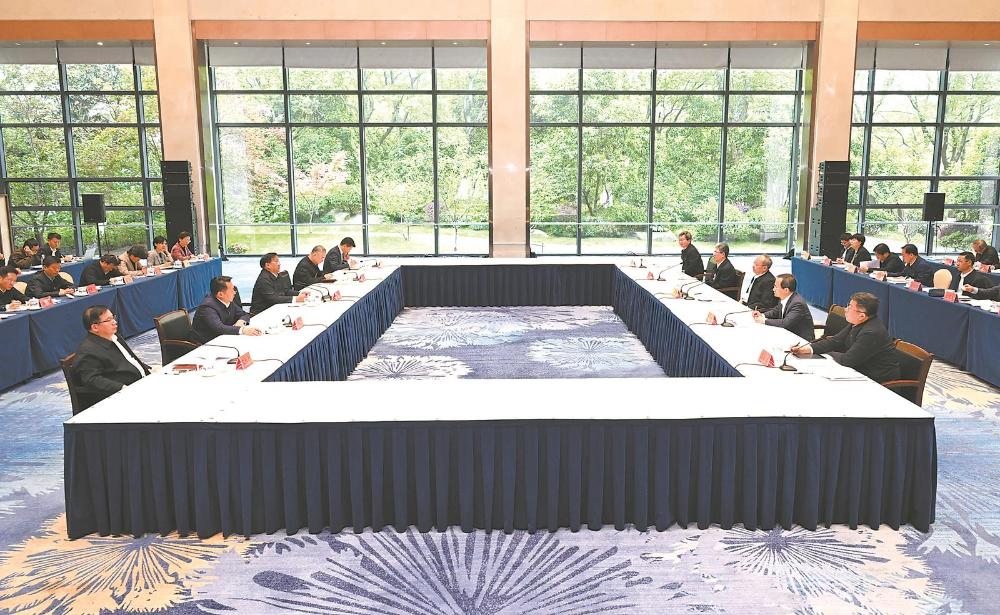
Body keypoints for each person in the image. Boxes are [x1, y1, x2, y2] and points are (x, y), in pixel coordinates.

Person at [792, 292, 900, 382]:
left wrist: (827, 353)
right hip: (859, 370)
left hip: (877, 380)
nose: (845, 309)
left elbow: (847, 360)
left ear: (862, 315)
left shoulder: (871, 332)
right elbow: (835, 341)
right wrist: (809, 348)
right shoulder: (857, 322)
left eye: (850, 307)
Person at [71, 305, 150, 412]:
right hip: (121, 397)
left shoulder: (115, 337)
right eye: (108, 320)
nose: (114, 322)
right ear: (95, 327)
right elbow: (92, 380)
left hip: (141, 383)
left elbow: (131, 359)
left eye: (113, 317)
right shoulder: (88, 351)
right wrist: (122, 388)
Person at [190, 276, 262, 343]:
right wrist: (243, 330)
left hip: (224, 337)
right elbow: (219, 328)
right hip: (205, 343)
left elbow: (244, 314)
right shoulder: (207, 307)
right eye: (232, 290)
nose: (235, 292)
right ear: (220, 294)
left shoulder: (226, 300)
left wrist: (241, 321)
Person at [752, 273, 814, 340]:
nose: (773, 289)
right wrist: (762, 315)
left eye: (776, 287)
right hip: (786, 333)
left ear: (786, 290)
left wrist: (764, 320)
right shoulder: (785, 297)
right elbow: (776, 310)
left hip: (800, 339)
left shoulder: (797, 304)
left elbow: (785, 323)